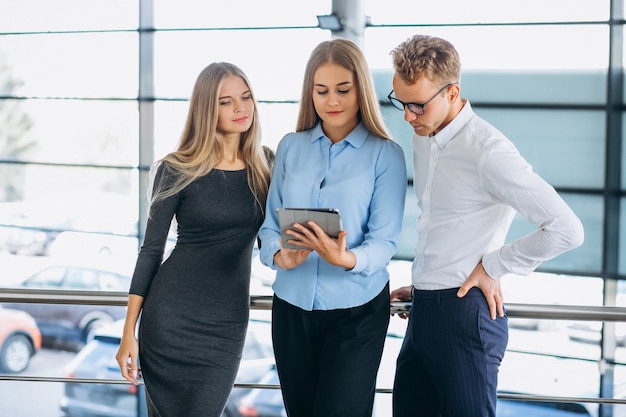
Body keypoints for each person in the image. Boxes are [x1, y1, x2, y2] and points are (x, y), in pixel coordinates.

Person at [387, 34, 585, 417]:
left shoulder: (488, 151)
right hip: (426, 310)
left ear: (451, 92)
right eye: (401, 102)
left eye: (416, 105)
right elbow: (447, 226)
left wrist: (493, 266)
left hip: (465, 318)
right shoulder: (425, 136)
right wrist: (428, 282)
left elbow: (566, 228)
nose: (408, 116)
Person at [258, 38, 407, 417]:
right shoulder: (291, 147)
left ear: (361, 89)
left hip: (357, 311)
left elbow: (386, 240)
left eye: (343, 89)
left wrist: (348, 258)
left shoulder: (386, 155)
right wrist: (280, 255)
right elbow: (269, 224)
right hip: (291, 305)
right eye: (321, 91)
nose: (332, 101)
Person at [114, 62, 273, 417]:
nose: (241, 108)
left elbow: (275, 243)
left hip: (226, 325)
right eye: (226, 101)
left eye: (246, 97)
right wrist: (129, 333)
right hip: (169, 320)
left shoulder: (267, 166)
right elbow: (151, 251)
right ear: (206, 108)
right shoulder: (177, 167)